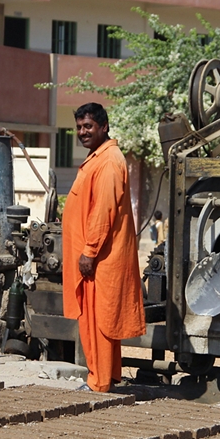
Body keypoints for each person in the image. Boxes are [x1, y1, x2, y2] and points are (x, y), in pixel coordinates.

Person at [62, 102, 146, 392]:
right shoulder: (98, 157)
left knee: (100, 321)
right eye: (79, 127)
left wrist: (89, 251)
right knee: (100, 320)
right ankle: (105, 377)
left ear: (104, 126)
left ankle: (99, 383)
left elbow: (103, 211)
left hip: (101, 259)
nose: (82, 132)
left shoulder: (109, 161)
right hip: (97, 257)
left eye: (88, 126)